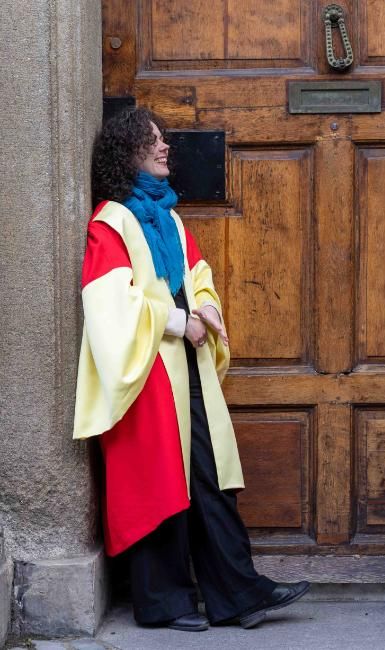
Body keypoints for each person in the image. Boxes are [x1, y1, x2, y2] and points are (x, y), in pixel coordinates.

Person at [73, 107, 309, 632]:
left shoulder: (171, 218)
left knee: (208, 478)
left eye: (163, 141)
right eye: (152, 142)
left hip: (187, 367)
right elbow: (110, 305)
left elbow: (196, 274)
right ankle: (164, 603)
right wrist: (179, 321)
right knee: (158, 485)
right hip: (148, 370)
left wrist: (205, 308)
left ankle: (238, 594)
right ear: (127, 151)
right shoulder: (110, 223)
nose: (164, 149)